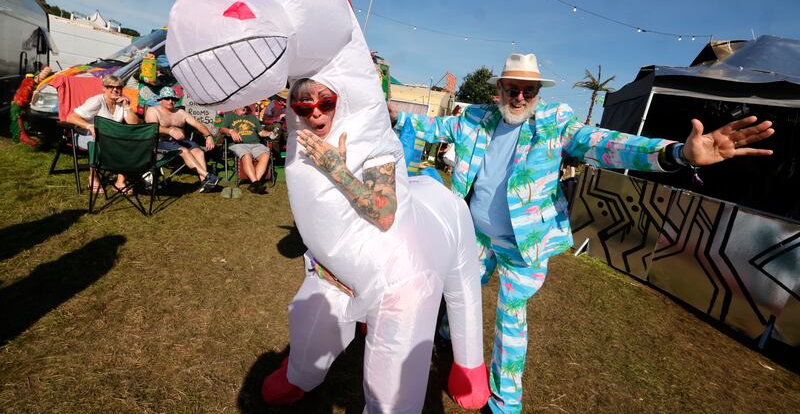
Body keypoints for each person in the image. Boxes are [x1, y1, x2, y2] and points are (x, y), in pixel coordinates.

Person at [392, 52, 775, 413]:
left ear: (539, 94)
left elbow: (607, 144)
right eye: (513, 89)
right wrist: (384, 111)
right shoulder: (476, 119)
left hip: (525, 245)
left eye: (529, 90)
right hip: (474, 235)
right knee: (459, 294)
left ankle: (504, 401)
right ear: (500, 89)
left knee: (510, 316)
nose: (520, 96)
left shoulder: (556, 123)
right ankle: (447, 339)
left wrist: (677, 154)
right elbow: (425, 123)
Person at [262, 77, 488, 411]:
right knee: (312, 308)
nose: (315, 114)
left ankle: (470, 365)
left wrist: (335, 167)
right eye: (302, 106)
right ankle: (299, 373)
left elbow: (384, 214)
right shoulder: (306, 146)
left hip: (403, 270)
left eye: (325, 103)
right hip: (339, 261)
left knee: (452, 301)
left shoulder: (374, 143)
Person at [66, 74, 140, 194]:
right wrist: (89, 126)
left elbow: (134, 124)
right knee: (99, 142)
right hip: (87, 136)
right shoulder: (96, 101)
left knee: (129, 143)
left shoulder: (122, 102)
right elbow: (71, 117)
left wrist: (126, 107)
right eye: (111, 86)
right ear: (104, 88)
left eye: (119, 87)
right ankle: (93, 177)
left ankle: (120, 181)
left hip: (111, 138)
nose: (115, 90)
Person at [145, 86, 218, 192]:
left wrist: (208, 136)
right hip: (162, 141)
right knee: (183, 150)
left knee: (199, 152)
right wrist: (170, 131)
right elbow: (153, 128)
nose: (171, 101)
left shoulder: (180, 113)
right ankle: (208, 175)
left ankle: (205, 182)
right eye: (167, 98)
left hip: (182, 141)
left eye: (173, 99)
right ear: (160, 100)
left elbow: (197, 124)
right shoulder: (153, 111)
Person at [218, 105, 275, 194]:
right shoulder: (229, 116)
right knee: (247, 155)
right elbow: (222, 129)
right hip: (239, 144)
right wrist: (231, 131)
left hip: (256, 144)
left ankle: (255, 183)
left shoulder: (252, 118)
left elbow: (261, 132)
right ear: (235, 108)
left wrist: (270, 133)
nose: (244, 107)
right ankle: (256, 184)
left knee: (265, 155)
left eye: (245, 106)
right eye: (241, 106)